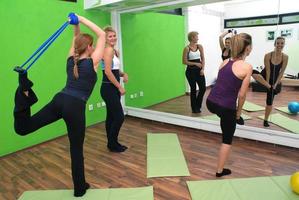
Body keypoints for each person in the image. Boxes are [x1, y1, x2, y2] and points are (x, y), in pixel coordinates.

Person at [13, 14, 106, 197]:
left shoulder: (71, 59)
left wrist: (76, 25)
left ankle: (24, 90)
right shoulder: (93, 62)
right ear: (89, 47)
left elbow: (75, 40)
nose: (95, 47)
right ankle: (79, 189)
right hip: (75, 107)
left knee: (25, 128)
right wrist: (81, 18)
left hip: (60, 99)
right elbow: (102, 34)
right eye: (92, 45)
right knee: (76, 149)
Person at [206, 33, 253, 177]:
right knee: (227, 139)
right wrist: (238, 114)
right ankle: (220, 171)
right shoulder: (247, 67)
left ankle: (230, 118)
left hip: (210, 102)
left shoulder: (224, 62)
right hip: (225, 107)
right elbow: (242, 95)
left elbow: (221, 83)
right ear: (248, 49)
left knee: (225, 116)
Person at [100, 26, 129, 153]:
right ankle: (112, 144)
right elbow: (107, 71)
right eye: (110, 36)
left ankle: (112, 142)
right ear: (105, 39)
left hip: (112, 87)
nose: (113, 38)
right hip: (108, 88)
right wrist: (119, 86)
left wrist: (123, 74)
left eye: (114, 35)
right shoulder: (108, 51)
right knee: (119, 117)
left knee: (111, 117)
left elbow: (114, 70)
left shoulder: (114, 51)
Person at [252, 37, 288, 127]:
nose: (280, 45)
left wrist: (275, 85)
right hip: (264, 77)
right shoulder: (268, 55)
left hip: (274, 80)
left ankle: (265, 120)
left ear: (284, 44)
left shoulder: (285, 57)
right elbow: (267, 70)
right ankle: (269, 87)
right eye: (278, 43)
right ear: (275, 44)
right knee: (252, 72)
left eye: (282, 43)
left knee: (269, 102)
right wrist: (268, 85)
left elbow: (281, 72)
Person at [182, 31, 206, 113]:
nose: (198, 38)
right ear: (192, 37)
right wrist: (195, 63)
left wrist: (202, 69)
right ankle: (194, 108)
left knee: (203, 88)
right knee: (193, 89)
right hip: (190, 71)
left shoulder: (200, 46)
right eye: (196, 36)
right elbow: (184, 61)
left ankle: (198, 105)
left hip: (199, 71)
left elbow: (203, 59)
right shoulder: (187, 48)